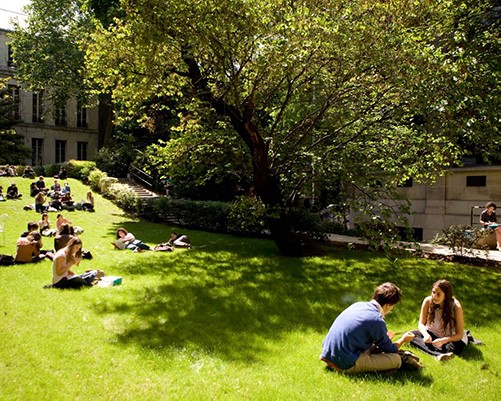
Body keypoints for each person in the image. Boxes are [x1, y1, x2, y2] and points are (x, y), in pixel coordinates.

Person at [320, 282, 416, 374]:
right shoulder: (376, 320)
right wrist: (403, 339)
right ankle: (386, 369)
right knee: (396, 359)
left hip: (328, 355)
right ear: (388, 305)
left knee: (376, 349)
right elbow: (390, 350)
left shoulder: (358, 305)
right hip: (344, 364)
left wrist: (383, 338)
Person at [410, 279, 468, 361]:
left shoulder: (456, 306)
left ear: (446, 295)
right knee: (410, 336)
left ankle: (438, 352)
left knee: (450, 348)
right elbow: (421, 324)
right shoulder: (427, 301)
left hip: (451, 338)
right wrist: (426, 334)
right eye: (433, 292)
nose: (434, 296)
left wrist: (444, 340)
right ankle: (439, 355)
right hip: (433, 333)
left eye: (438, 294)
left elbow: (459, 335)